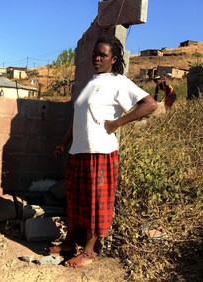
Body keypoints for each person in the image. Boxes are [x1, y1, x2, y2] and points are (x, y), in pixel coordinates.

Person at [48, 35, 158, 267]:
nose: (97, 58)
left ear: (114, 58)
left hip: (101, 152)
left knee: (95, 204)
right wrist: (64, 142)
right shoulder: (92, 81)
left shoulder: (119, 82)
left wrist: (117, 123)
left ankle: (88, 251)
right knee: (75, 201)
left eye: (103, 55)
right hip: (78, 152)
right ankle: (69, 243)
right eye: (95, 54)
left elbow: (150, 104)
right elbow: (78, 117)